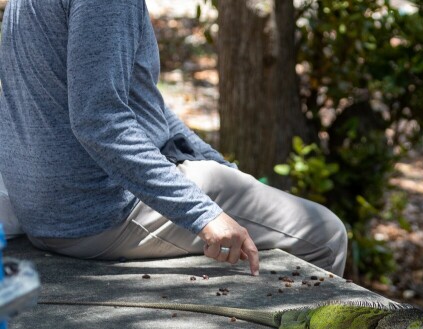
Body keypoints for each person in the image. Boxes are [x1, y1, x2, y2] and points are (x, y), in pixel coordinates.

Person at [0, 0, 348, 277]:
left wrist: (219, 164)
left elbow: (142, 105)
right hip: (97, 214)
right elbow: (99, 122)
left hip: (45, 208)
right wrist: (203, 214)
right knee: (327, 237)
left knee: (234, 186)